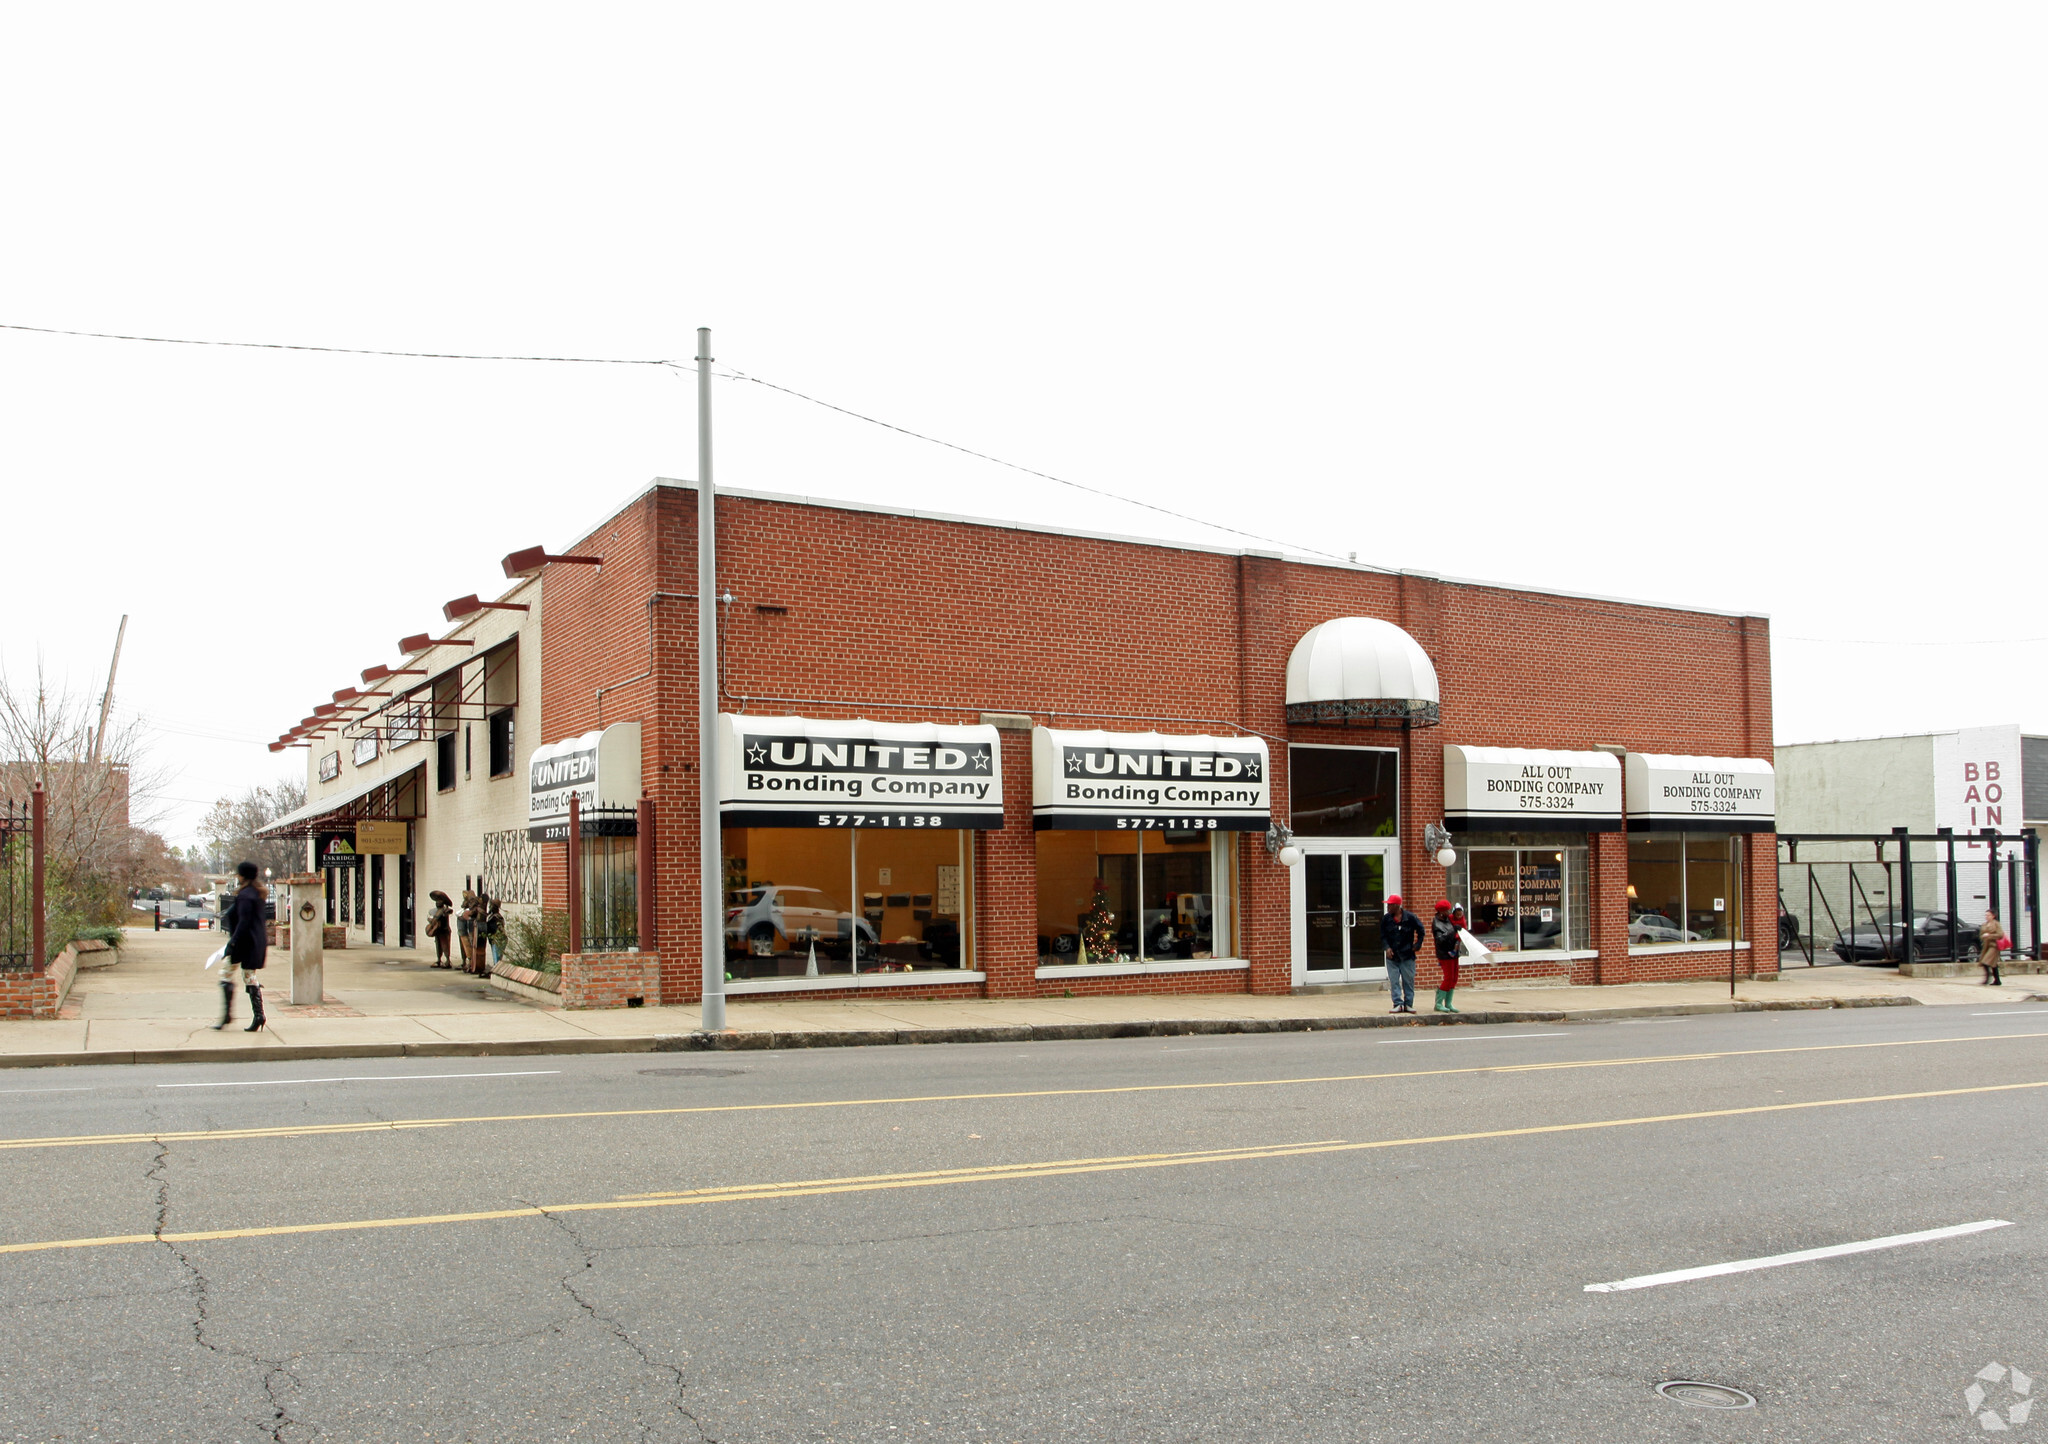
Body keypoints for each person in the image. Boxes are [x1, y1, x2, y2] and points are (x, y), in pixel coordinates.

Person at [214, 861, 268, 1032]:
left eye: (238, 874)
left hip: (244, 943)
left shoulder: (245, 895)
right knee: (249, 976)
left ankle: (227, 1015)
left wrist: (233, 942)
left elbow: (243, 922)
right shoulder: (258, 894)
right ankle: (259, 1015)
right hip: (255, 942)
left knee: (225, 974)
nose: (237, 877)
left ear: (242, 876)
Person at [1382, 894, 1423, 1015]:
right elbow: (1382, 935)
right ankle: (1397, 1003)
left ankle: (1409, 1004)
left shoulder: (1410, 918)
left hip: (1407, 954)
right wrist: (1387, 948)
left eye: (1390, 905)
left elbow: (1421, 930)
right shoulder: (1386, 919)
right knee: (1394, 980)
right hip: (1392, 956)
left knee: (1408, 980)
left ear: (1396, 906)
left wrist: (1418, 944)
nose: (1388, 907)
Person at [1431, 899, 1461, 1013]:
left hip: (1454, 952)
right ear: (1441, 911)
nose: (1449, 912)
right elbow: (1440, 939)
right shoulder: (1436, 923)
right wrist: (1453, 930)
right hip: (1444, 954)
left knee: (1454, 978)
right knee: (1448, 977)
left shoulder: (1449, 920)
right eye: (1447, 910)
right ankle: (1438, 1003)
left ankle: (1448, 1003)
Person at [426, 890, 453, 967]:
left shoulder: (444, 910)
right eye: (436, 901)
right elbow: (430, 918)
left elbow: (448, 913)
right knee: (438, 945)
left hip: (444, 930)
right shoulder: (434, 911)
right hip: (437, 930)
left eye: (439, 901)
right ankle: (439, 959)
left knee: (445, 945)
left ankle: (448, 960)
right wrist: (431, 920)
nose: (437, 902)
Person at [1980, 909, 2005, 987]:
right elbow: (1981, 934)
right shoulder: (1984, 924)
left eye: (1988, 915)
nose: (1986, 917)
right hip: (1986, 946)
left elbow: (2000, 934)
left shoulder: (1996, 924)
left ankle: (1988, 978)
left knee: (1986, 961)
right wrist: (1983, 936)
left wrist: (1990, 936)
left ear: (1993, 916)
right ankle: (1997, 980)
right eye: (1986, 915)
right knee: (1993, 964)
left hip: (1994, 946)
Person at [484, 898, 505, 968]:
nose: (490, 907)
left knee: (497, 961)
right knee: (496, 958)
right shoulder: (493, 917)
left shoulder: (496, 918)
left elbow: (497, 929)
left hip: (497, 940)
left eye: (491, 906)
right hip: (494, 940)